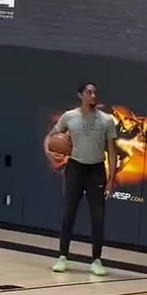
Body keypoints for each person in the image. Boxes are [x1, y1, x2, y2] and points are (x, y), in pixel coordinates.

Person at [44, 82, 117, 275]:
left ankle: (96, 260)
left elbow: (112, 150)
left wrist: (111, 179)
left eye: (95, 92)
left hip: (96, 170)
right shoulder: (69, 117)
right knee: (68, 213)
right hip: (75, 168)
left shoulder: (107, 120)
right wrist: (49, 153)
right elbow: (50, 137)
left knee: (98, 217)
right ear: (80, 95)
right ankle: (62, 256)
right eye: (89, 92)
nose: (93, 95)